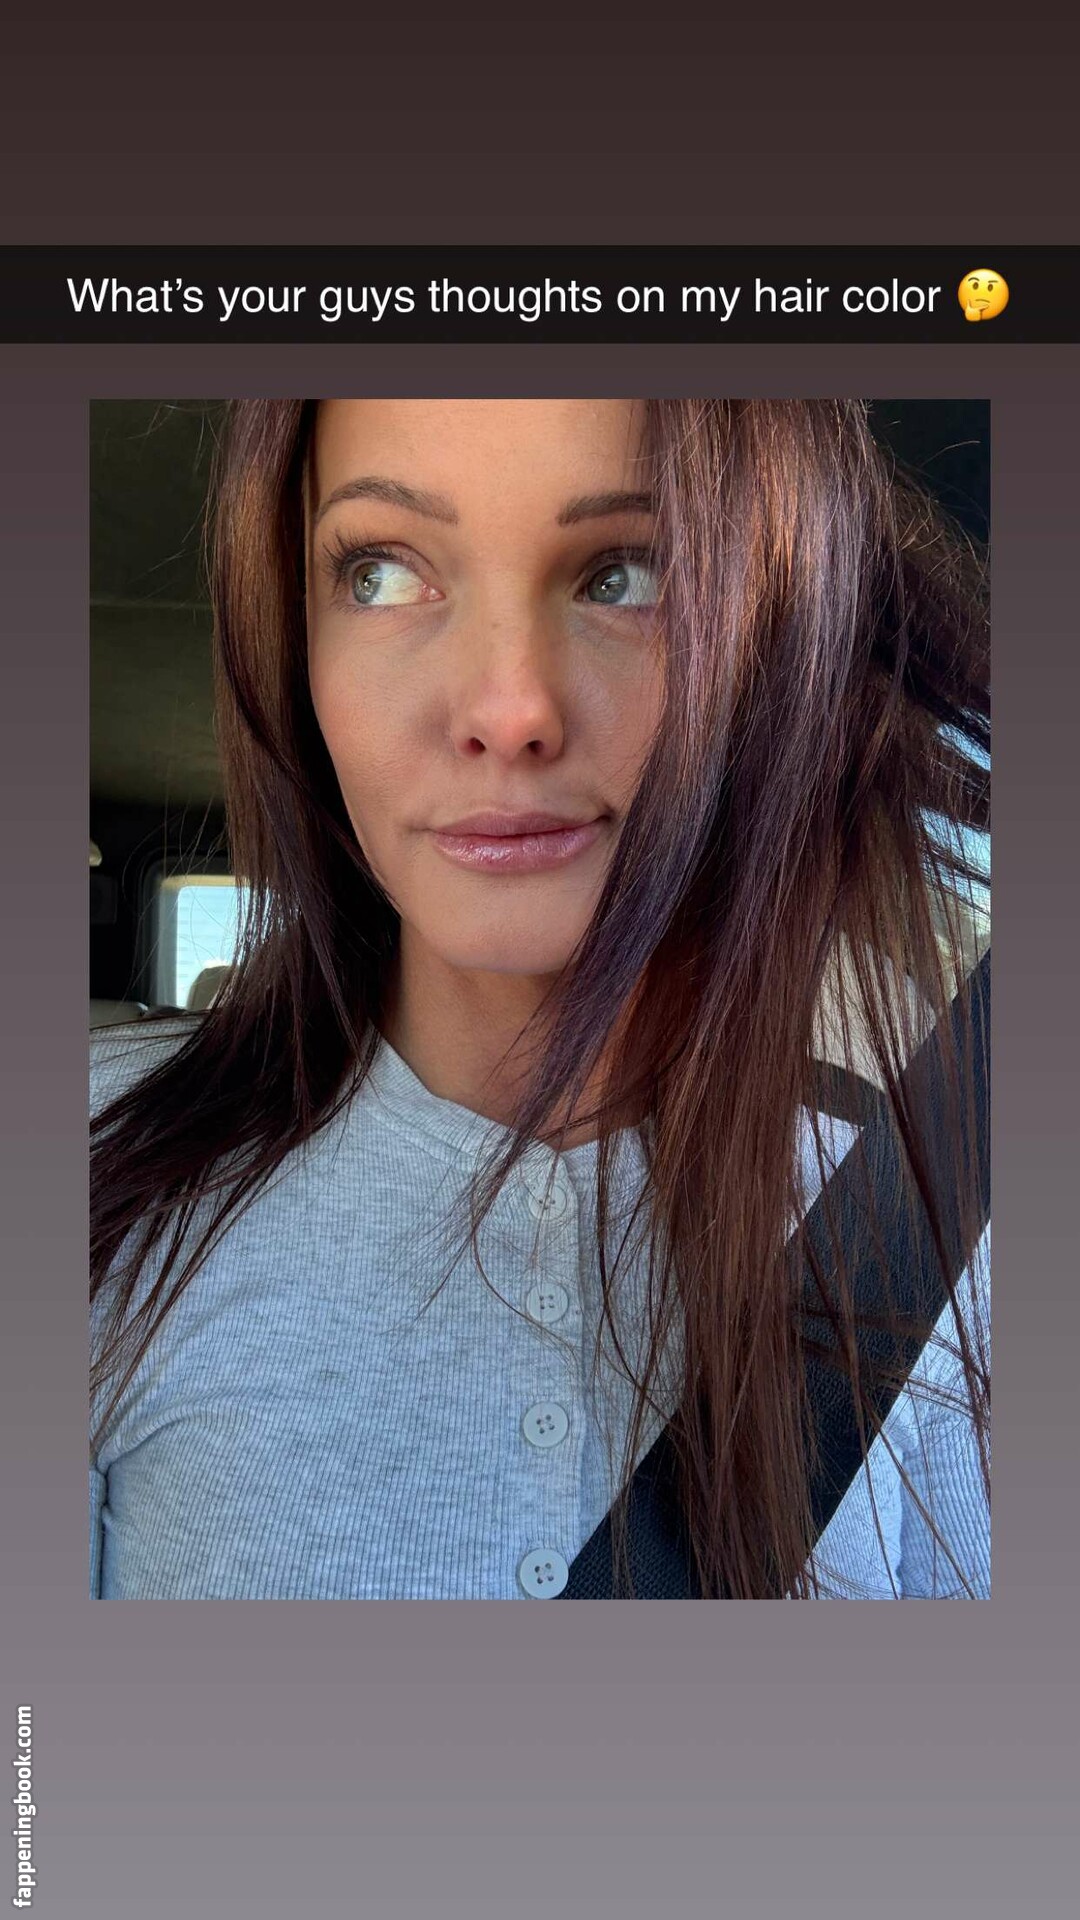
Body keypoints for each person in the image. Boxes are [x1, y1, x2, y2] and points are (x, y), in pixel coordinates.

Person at [90, 398, 990, 1600]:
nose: (508, 711)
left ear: (778, 644)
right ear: (292, 639)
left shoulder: (932, 1226)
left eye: (628, 575)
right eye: (380, 572)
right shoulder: (94, 1167)